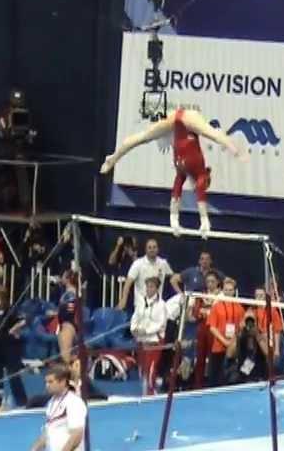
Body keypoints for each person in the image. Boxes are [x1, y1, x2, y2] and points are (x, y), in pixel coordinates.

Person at [100, 108, 243, 238]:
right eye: (204, 184)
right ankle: (233, 147)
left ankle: (113, 158)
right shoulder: (200, 174)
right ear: (205, 179)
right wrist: (205, 221)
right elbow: (200, 190)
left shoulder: (183, 173)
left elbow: (177, 190)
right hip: (189, 118)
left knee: (143, 138)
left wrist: (173, 221)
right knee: (211, 134)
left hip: (175, 121)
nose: (197, 187)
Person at [0, 284, 28, 406]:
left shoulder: (9, 308)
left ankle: (22, 401)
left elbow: (23, 320)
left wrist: (13, 329)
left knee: (13, 374)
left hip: (9, 345)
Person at [30, 364, 87, 451]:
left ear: (63, 382)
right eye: (46, 382)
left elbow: (77, 434)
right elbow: (47, 433)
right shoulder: (51, 403)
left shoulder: (73, 402)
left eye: (51, 382)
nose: (47, 385)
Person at [130, 277, 167, 395]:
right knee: (142, 367)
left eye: (151, 287)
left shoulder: (162, 305)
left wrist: (146, 331)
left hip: (155, 340)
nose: (149, 289)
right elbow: (135, 317)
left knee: (151, 367)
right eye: (147, 286)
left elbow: (160, 323)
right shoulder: (141, 302)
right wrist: (134, 329)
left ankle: (151, 391)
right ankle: (143, 390)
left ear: (156, 289)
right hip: (141, 339)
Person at [206, 277, 244, 387]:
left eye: (230, 290)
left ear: (234, 292)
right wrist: (224, 341)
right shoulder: (216, 307)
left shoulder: (240, 308)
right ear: (222, 291)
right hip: (218, 346)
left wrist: (232, 342)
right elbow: (212, 327)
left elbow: (241, 328)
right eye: (226, 290)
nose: (228, 292)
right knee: (215, 379)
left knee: (230, 378)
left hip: (233, 348)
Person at [117, 238, 173, 311]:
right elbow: (128, 283)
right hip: (140, 306)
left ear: (158, 249)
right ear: (145, 250)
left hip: (157, 307)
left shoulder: (163, 263)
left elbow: (172, 276)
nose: (152, 250)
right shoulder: (138, 264)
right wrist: (123, 300)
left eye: (154, 247)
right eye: (149, 247)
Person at [190, 270, 221, 388]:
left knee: (213, 357)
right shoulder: (202, 296)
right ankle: (198, 384)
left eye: (212, 281)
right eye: (208, 281)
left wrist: (209, 312)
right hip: (202, 328)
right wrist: (200, 312)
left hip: (215, 329)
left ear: (218, 282)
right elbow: (195, 313)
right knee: (200, 356)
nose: (210, 284)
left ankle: (213, 383)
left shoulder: (221, 296)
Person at [57, 270, 80, 365]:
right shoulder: (67, 293)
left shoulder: (71, 293)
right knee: (65, 355)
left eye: (63, 276)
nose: (61, 278)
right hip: (64, 323)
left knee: (66, 356)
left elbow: (70, 310)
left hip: (68, 324)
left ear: (68, 279)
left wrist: (56, 313)